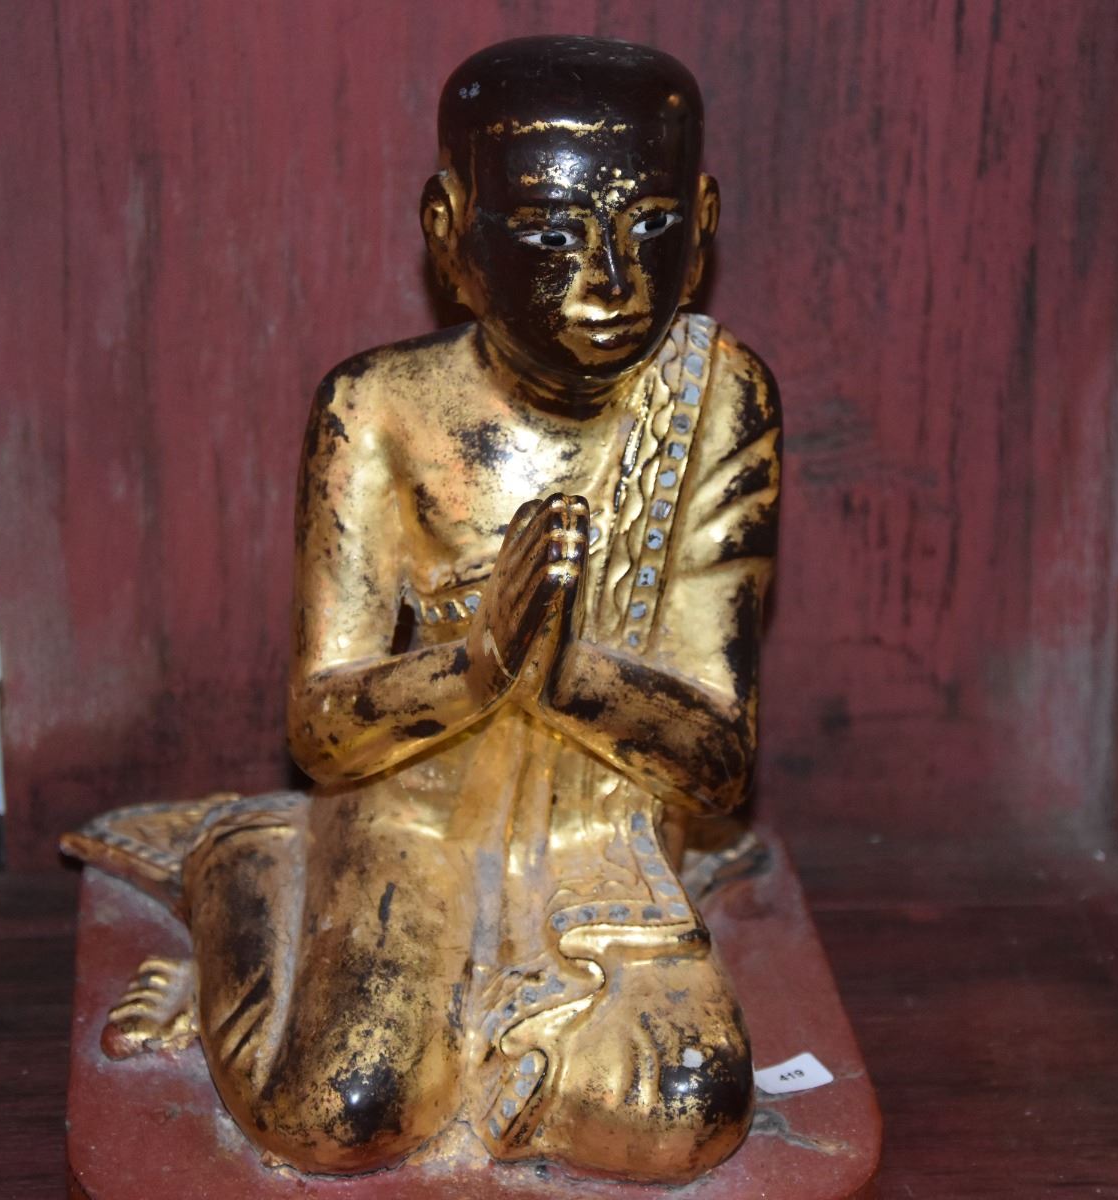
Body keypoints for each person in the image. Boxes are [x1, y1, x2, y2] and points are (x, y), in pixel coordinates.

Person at [66, 34, 781, 1184]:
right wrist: (478, 663)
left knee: (684, 1110)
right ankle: (245, 871)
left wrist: (560, 671)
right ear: (450, 235)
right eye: (549, 233)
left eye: (649, 225)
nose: (611, 280)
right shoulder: (379, 408)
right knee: (341, 1109)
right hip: (415, 808)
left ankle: (485, 1048)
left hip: (597, 831)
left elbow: (715, 759)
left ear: (702, 226)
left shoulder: (719, 401)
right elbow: (324, 729)